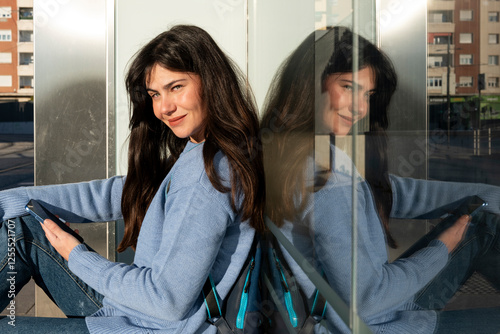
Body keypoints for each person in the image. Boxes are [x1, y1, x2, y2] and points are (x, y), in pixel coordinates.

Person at [0, 24, 264, 333]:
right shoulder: (199, 147)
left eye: (176, 87)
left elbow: (166, 301)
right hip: (134, 309)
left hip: (151, 325)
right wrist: (10, 200)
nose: (164, 108)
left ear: (212, 81)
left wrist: (77, 255)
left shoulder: (210, 177)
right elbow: (121, 193)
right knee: (23, 226)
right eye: (155, 94)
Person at [261, 26, 500, 334]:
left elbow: (393, 192)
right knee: (477, 227)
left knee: (480, 222)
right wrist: (444, 246)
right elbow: (368, 299)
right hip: (379, 322)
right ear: (312, 85)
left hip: (375, 308)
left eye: (368, 94)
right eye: (348, 87)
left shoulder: (294, 151)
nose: (360, 107)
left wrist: (486, 194)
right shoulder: (327, 181)